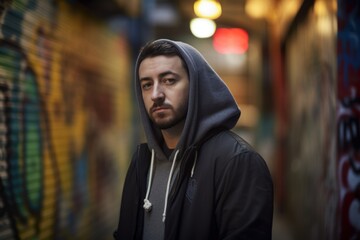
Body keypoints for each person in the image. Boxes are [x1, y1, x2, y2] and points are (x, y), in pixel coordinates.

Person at [114, 39, 273, 240]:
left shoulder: (237, 162)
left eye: (169, 80)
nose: (155, 95)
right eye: (147, 85)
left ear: (197, 86)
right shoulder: (142, 162)